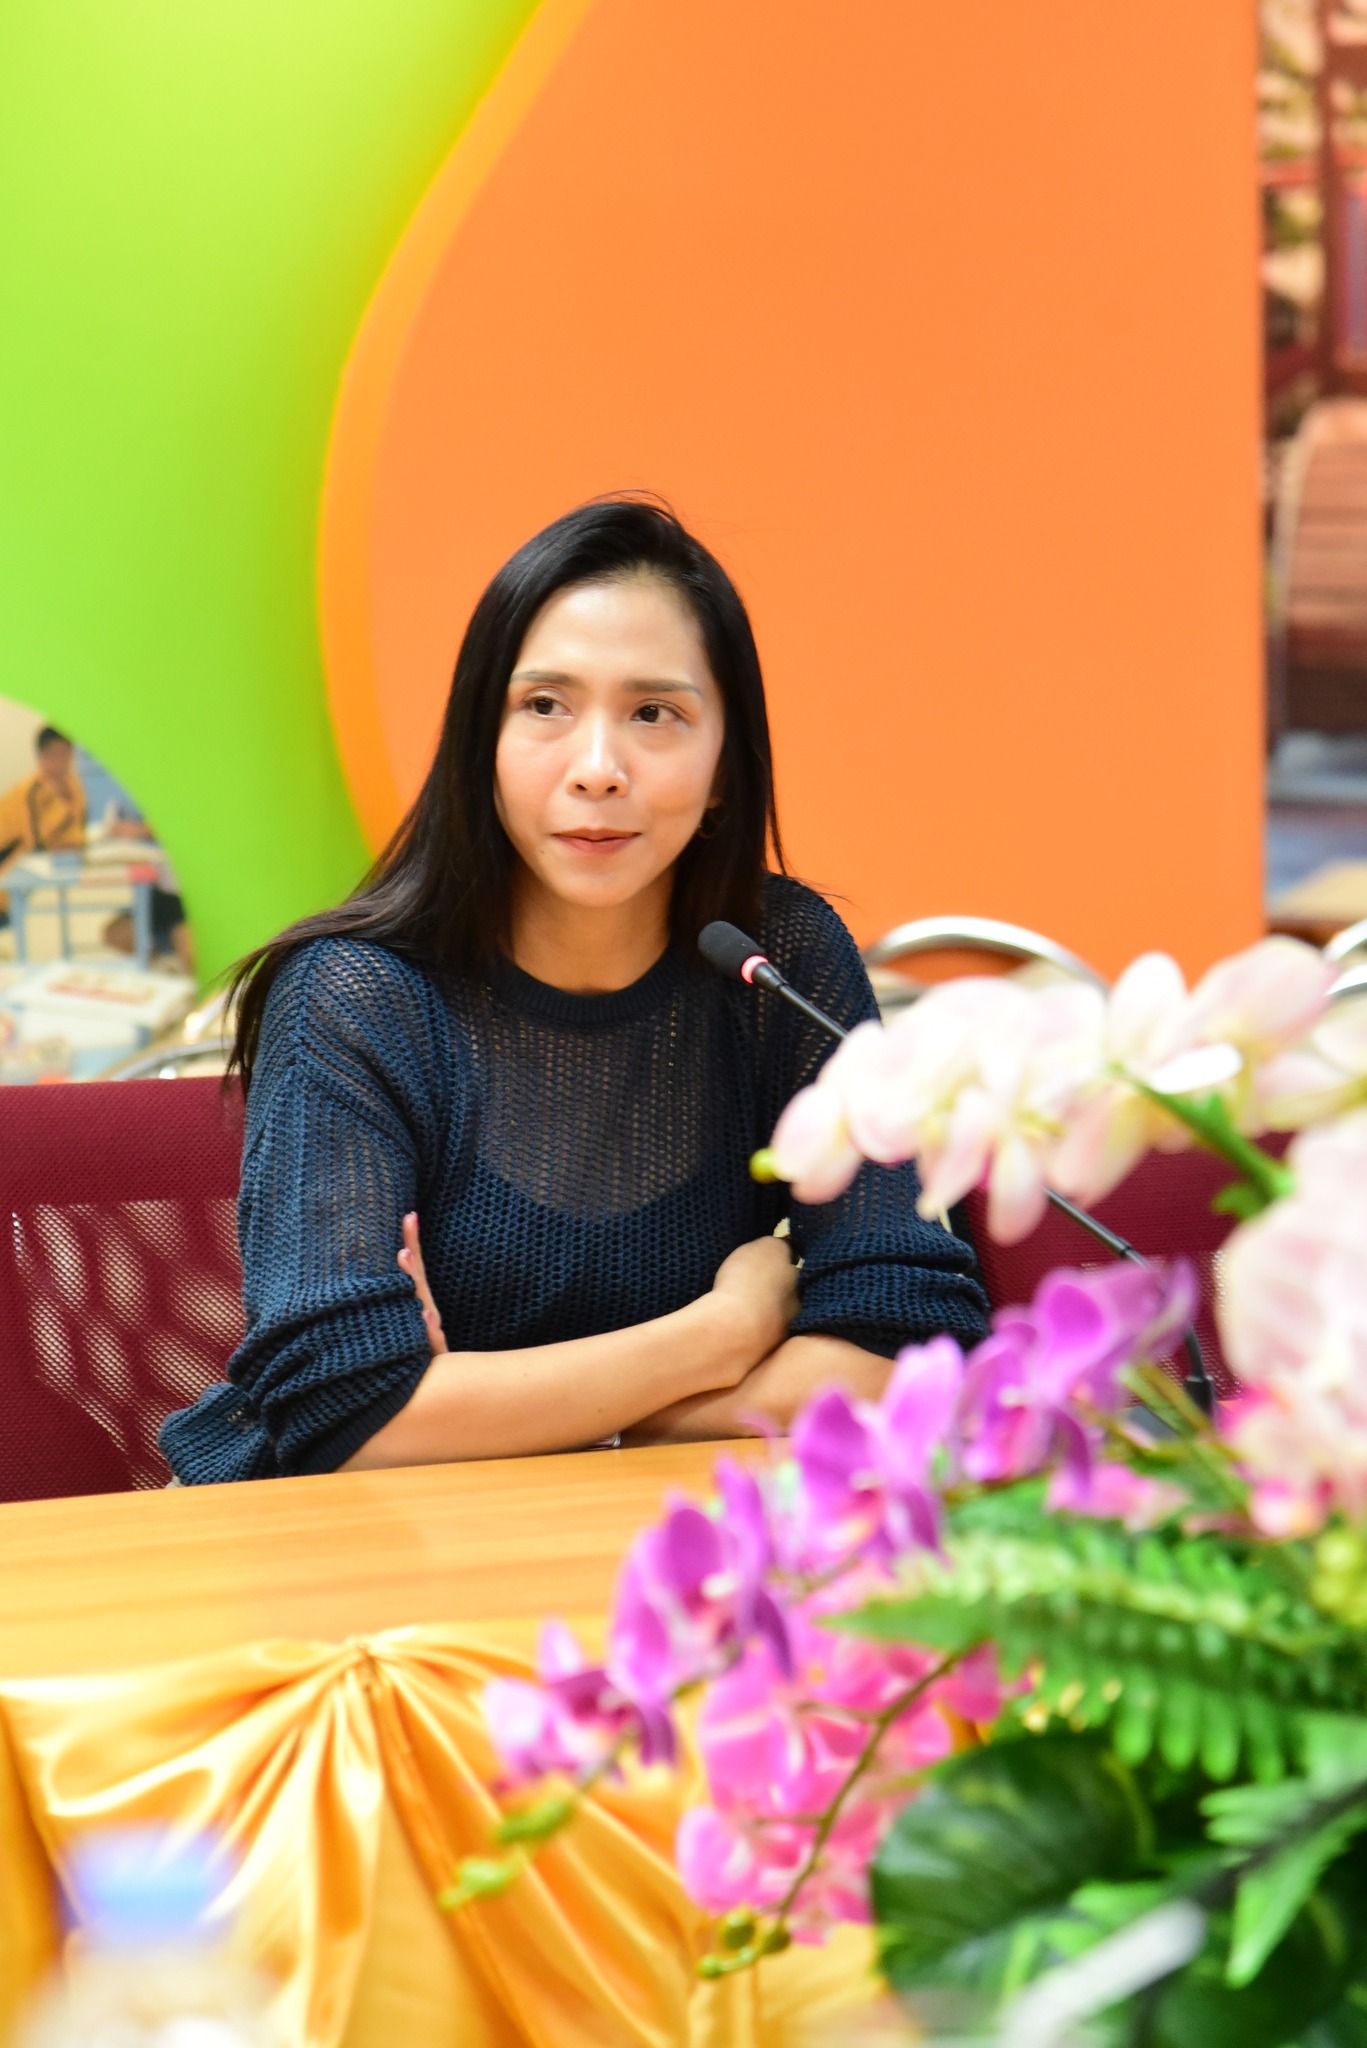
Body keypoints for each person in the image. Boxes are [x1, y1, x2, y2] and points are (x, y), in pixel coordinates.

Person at [160, 499, 988, 1485]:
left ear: (724, 766)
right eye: (545, 706)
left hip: (658, 1530)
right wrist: (723, 1333)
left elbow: (908, 1348)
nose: (597, 770)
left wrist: (519, 1418)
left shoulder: (779, 963)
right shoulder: (355, 998)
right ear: (482, 741)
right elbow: (341, 1417)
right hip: (348, 1549)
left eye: (654, 713)